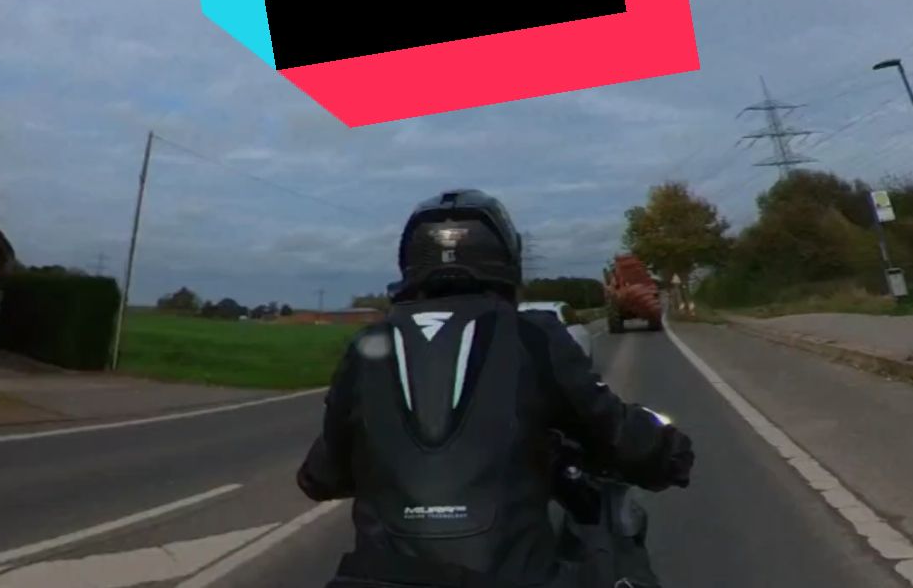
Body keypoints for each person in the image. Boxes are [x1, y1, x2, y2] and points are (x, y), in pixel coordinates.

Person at [297, 190, 694, 587]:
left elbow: (321, 476)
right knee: (616, 536)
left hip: (378, 579)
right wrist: (667, 449)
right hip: (513, 579)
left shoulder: (367, 345)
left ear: (410, 262)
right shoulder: (532, 335)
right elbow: (615, 431)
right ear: (506, 258)